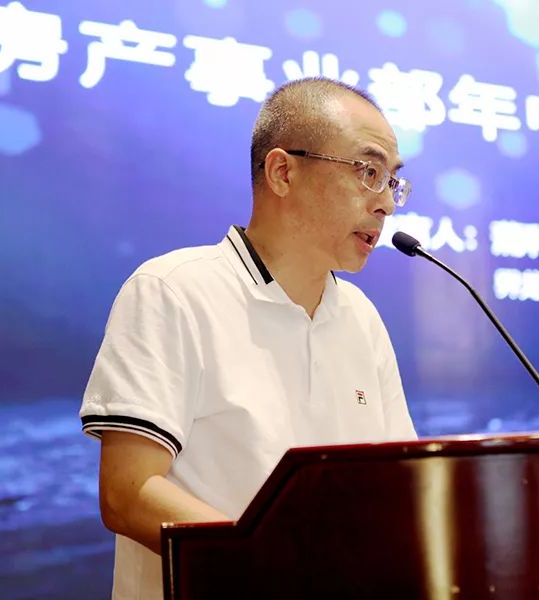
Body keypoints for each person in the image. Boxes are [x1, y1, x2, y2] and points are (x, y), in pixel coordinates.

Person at [78, 77, 417, 600]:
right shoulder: (174, 290)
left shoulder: (362, 318)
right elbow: (129, 493)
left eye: (392, 181)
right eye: (368, 173)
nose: (387, 205)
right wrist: (280, 566)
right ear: (283, 172)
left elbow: (400, 490)